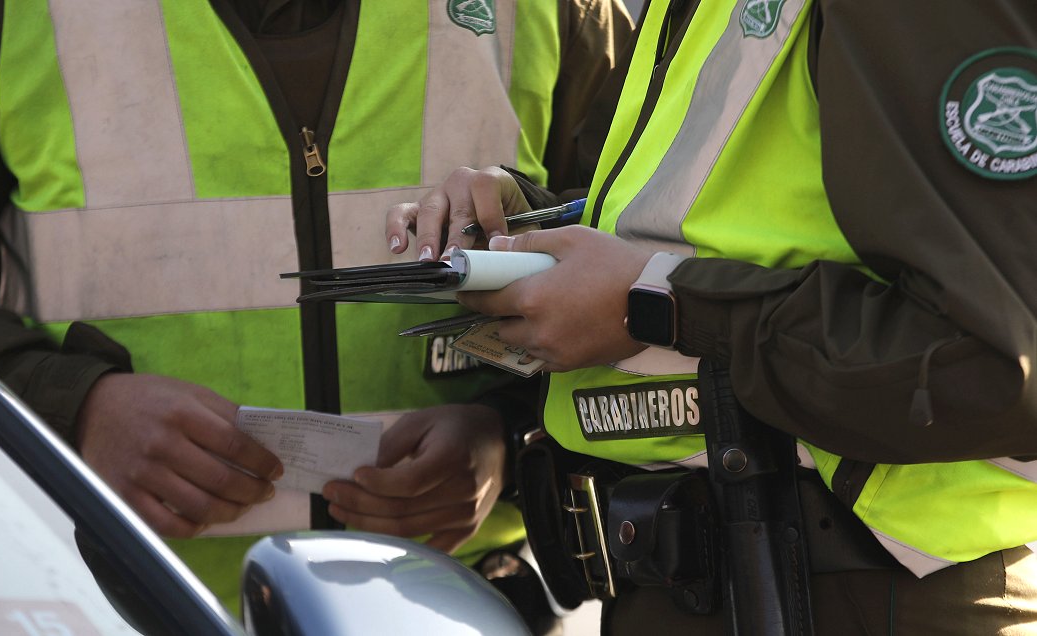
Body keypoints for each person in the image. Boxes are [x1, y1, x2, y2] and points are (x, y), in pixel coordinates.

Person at [0, 0, 633, 620]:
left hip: (462, 610)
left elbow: (656, 312)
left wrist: (512, 439)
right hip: (93, 612)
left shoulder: (552, 14)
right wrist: (71, 415)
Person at [386, 0, 1037, 632]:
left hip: (858, 589)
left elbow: (998, 364)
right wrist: (537, 225)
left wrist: (659, 302)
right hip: (706, 579)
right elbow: (731, 230)